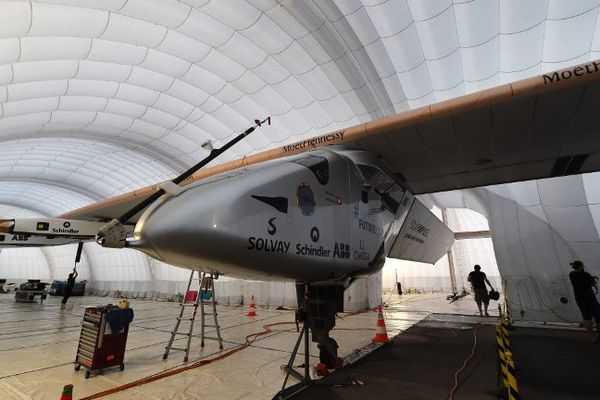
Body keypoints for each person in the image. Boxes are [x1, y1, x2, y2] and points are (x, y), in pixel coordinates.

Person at [568, 260, 600, 343]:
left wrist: (591, 277)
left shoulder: (571, 275)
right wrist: (592, 278)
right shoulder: (585, 275)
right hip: (590, 299)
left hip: (580, 300)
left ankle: (592, 337)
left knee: (586, 318)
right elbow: (591, 282)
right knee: (598, 316)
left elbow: (582, 279)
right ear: (581, 266)